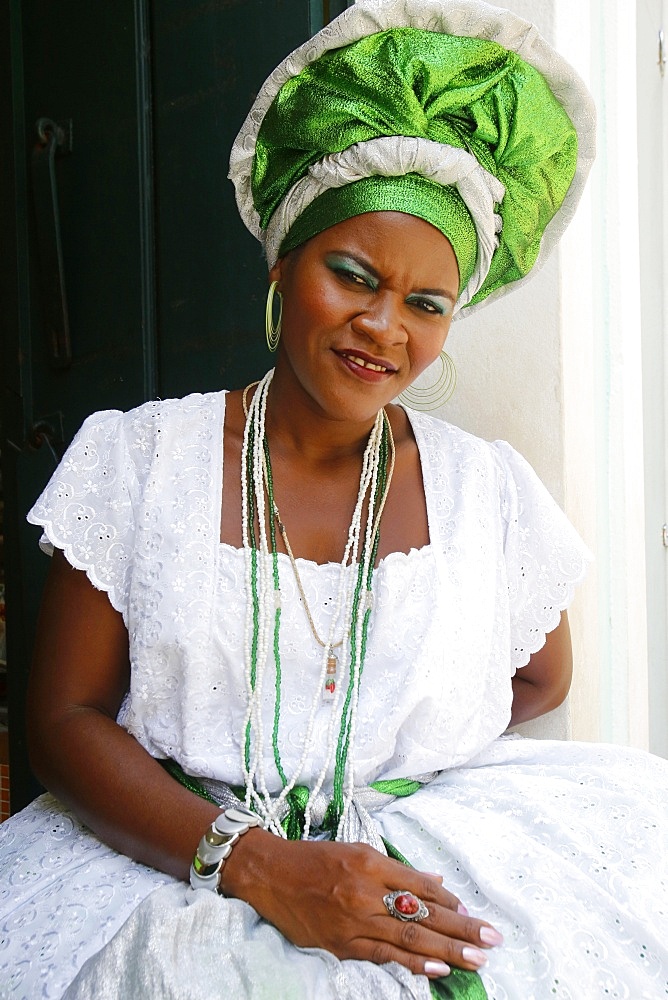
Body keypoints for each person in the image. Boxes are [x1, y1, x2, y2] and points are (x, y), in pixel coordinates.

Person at [1, 1, 667, 998]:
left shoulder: (480, 490)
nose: (380, 325)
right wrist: (258, 856)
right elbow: (60, 718)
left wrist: (375, 763)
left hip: (416, 834)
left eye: (425, 303)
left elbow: (534, 682)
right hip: (179, 850)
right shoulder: (138, 461)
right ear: (283, 262)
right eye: (350, 274)